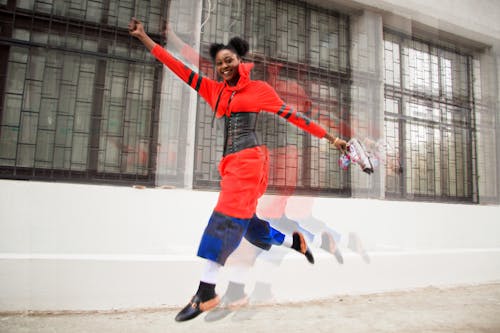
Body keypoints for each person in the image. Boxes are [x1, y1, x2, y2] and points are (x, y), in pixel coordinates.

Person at [128, 17, 347, 322]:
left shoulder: (259, 90)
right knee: (251, 227)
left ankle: (206, 291)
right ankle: (293, 241)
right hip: (231, 166)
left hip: (251, 162)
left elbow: (295, 116)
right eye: (219, 64)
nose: (224, 66)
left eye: (229, 60)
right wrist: (144, 39)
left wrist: (332, 138)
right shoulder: (214, 91)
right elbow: (178, 67)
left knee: (225, 217)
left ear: (240, 61)